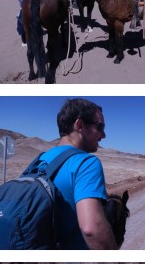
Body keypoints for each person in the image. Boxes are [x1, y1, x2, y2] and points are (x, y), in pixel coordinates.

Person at [38, 98, 117, 249]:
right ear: (80, 125)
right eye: (100, 127)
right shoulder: (86, 162)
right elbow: (91, 229)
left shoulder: (39, 160)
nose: (103, 135)